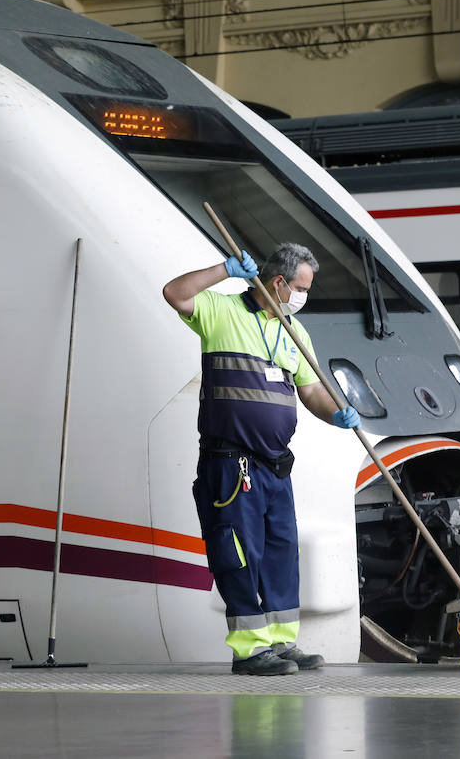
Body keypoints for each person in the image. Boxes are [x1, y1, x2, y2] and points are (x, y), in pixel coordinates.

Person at [162, 242, 361, 676]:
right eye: (301, 288)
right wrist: (224, 269)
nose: (304, 296)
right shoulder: (222, 312)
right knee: (239, 554)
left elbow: (310, 391)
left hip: (274, 467)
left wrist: (337, 412)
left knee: (279, 555)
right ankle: (250, 652)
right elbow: (174, 293)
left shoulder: (294, 332)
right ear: (278, 282)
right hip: (232, 465)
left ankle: (281, 643)